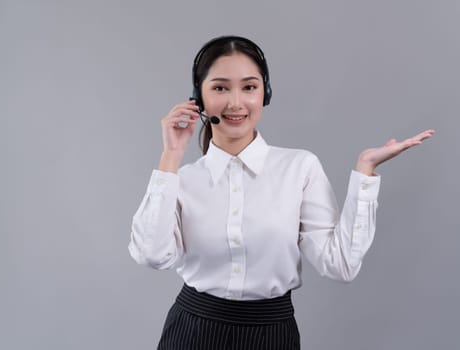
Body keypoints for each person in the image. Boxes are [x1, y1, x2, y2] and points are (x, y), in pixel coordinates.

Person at [128, 35, 435, 350]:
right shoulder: (183, 179)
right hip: (192, 332)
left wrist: (365, 172)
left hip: (270, 335)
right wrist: (171, 156)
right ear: (199, 98)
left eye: (249, 87)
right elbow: (152, 255)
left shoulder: (299, 168)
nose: (235, 103)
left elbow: (340, 264)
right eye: (220, 88)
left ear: (265, 93)